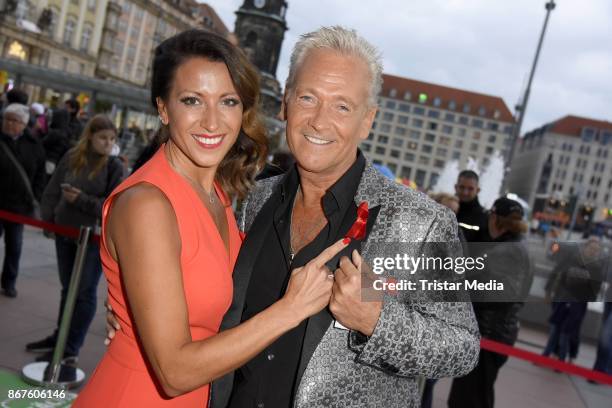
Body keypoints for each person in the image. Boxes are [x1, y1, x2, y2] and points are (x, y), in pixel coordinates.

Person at [75, 29, 348, 407]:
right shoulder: (147, 205)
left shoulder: (217, 192)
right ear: (163, 108)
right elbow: (173, 373)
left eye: (228, 102)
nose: (212, 121)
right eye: (192, 100)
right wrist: (291, 309)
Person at [24, 115, 125, 380]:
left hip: (91, 238)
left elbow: (111, 207)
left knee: (84, 293)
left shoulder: (114, 166)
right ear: (90, 136)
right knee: (68, 289)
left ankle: (70, 350)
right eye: (103, 137)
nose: (108, 143)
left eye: (112, 139)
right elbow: (52, 190)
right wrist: (49, 220)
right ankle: (60, 339)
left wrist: (81, 200)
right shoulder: (72, 156)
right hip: (65, 233)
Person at [448, 197, 532, 408]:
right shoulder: (514, 246)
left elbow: (501, 295)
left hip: (489, 334)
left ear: (496, 218)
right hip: (494, 334)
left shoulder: (508, 251)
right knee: (474, 395)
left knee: (469, 399)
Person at [0, 103, 46, 298]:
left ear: (24, 124)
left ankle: (9, 282)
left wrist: (34, 197)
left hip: (18, 206)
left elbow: (39, 176)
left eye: (15, 121)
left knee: (15, 246)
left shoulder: (34, 145)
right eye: (7, 119)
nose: (9, 123)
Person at [543, 238, 606, 363]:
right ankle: (551, 354)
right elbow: (557, 273)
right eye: (591, 248)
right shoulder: (572, 259)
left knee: (570, 331)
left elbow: (594, 292)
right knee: (557, 328)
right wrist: (549, 291)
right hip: (562, 298)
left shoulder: (596, 269)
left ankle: (568, 355)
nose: (592, 252)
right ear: (585, 247)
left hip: (578, 304)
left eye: (596, 250)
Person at [455, 170, 489, 242]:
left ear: (477, 190)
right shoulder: (445, 209)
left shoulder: (484, 217)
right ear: (456, 187)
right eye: (462, 187)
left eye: (470, 189)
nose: (465, 192)